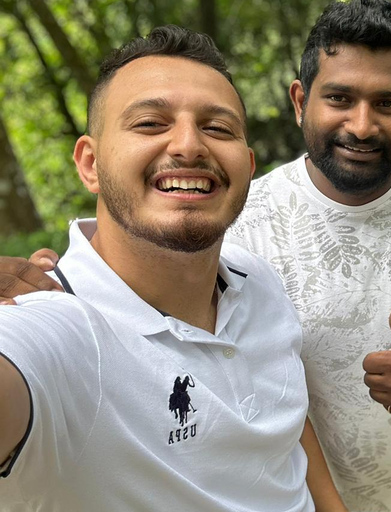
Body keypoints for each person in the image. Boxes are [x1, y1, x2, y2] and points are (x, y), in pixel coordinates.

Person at [0, 2, 391, 510]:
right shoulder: (233, 225)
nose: (362, 124)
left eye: (387, 102)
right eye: (340, 98)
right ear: (301, 101)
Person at [0, 25, 346, 511]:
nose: (188, 145)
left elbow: (281, 428)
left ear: (247, 165)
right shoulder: (58, 325)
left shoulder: (257, 280)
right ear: (90, 163)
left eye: (218, 128)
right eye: (149, 123)